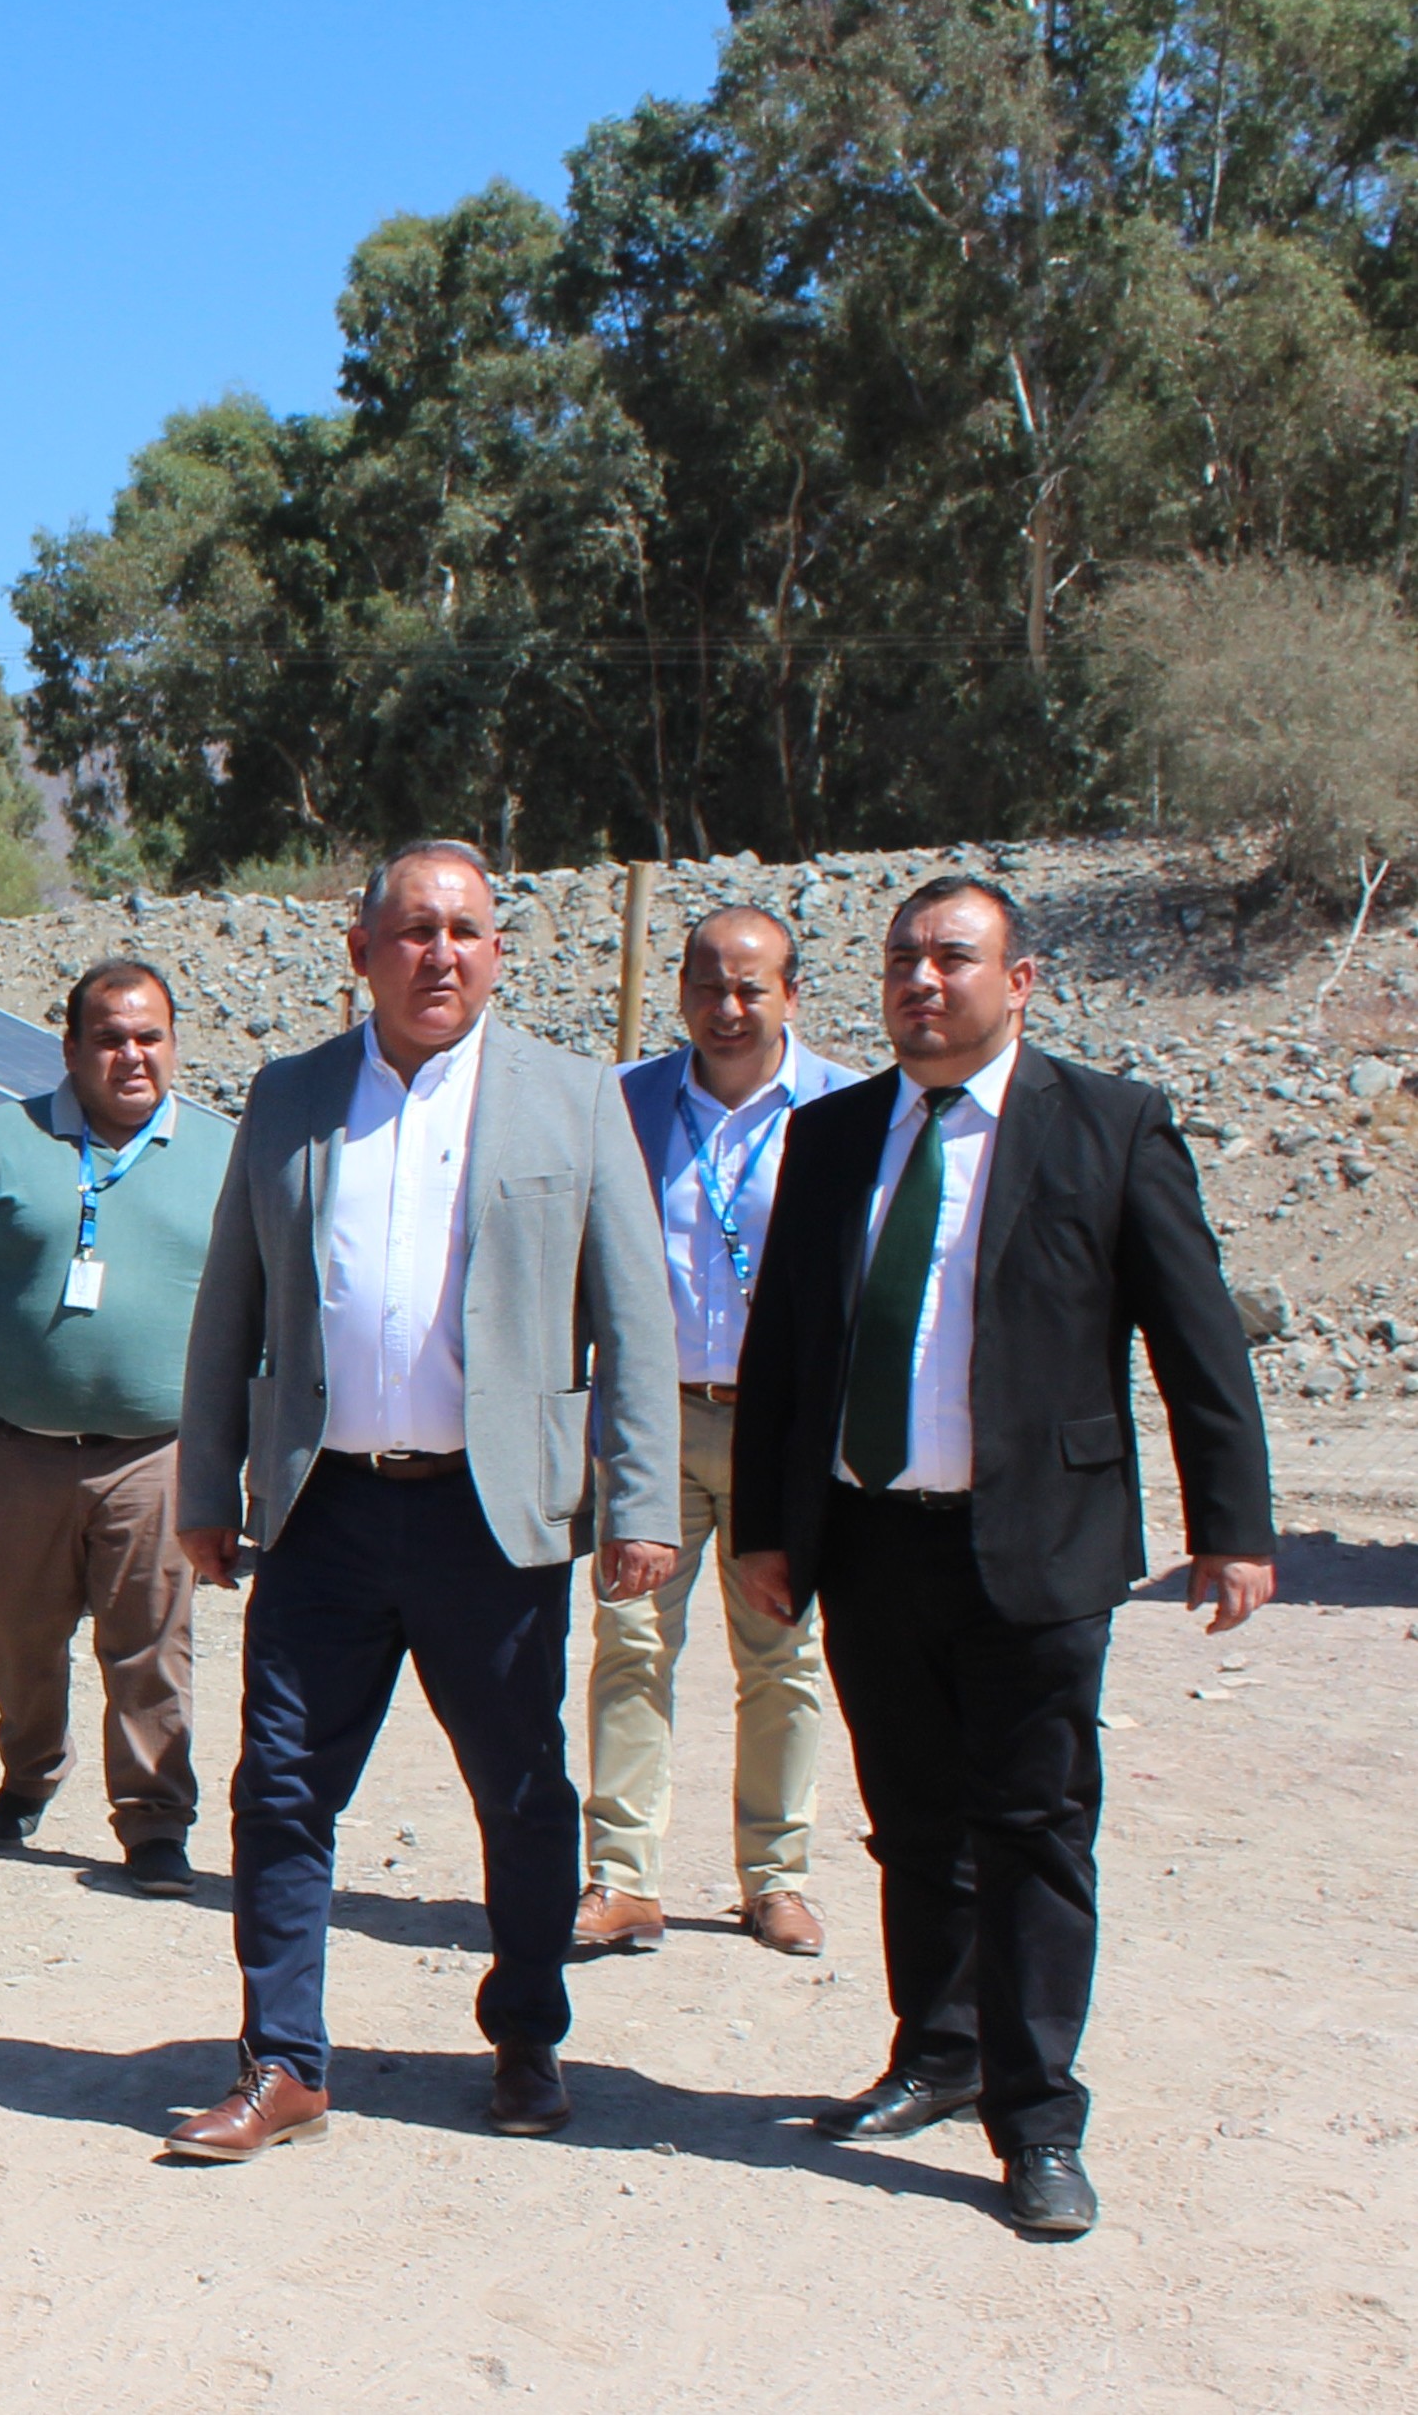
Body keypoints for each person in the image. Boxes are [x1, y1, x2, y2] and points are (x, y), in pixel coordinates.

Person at [728, 874, 1273, 2239]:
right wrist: (768, 1531)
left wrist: (1236, 1527)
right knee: (914, 1826)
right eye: (903, 958)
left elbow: (1194, 1335)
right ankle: (939, 2053)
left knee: (1032, 1833)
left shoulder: (1109, 1127)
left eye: (953, 959)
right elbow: (786, 1350)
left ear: (1019, 981)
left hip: (1034, 1544)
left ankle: (1037, 2125)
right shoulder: (837, 1134)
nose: (922, 981)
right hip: (872, 1542)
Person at [160, 840, 678, 2161]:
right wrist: (208, 1481)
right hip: (325, 1510)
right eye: (411, 931)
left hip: (491, 1518)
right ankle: (285, 2063)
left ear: (497, 951)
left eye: (463, 931)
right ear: (362, 950)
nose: (437, 954)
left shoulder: (572, 1100)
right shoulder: (290, 1101)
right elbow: (233, 1303)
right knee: (279, 1787)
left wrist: (640, 1501)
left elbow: (633, 1314)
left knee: (519, 1789)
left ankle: (526, 2030)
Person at [0, 957, 233, 1896]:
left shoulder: (221, 1154)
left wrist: (243, 1445)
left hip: (158, 1455)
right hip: (20, 1454)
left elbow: (266, 1305)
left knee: (152, 1649)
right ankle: (30, 1769)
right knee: (12, 1633)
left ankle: (156, 1822)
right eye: (111, 1037)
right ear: (72, 1048)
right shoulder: (1, 1143)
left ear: (172, 1044)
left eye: (150, 1036)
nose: (133, 1055)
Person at [577, 908, 855, 1959]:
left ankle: (775, 1879)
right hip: (649, 1426)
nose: (728, 1010)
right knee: (631, 1646)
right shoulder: (626, 1104)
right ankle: (621, 1877)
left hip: (780, 1434)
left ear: (791, 993)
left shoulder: (842, 1109)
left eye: (751, 988)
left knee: (785, 1656)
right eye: (707, 987)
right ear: (679, 991)